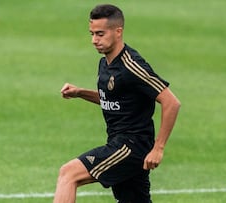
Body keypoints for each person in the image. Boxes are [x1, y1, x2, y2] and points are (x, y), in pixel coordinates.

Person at [53, 4, 180, 203]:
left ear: (118, 31)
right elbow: (112, 99)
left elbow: (171, 102)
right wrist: (80, 93)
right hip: (118, 142)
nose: (94, 40)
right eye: (92, 34)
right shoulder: (105, 63)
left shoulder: (133, 66)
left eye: (100, 34)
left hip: (130, 146)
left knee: (68, 174)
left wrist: (158, 148)